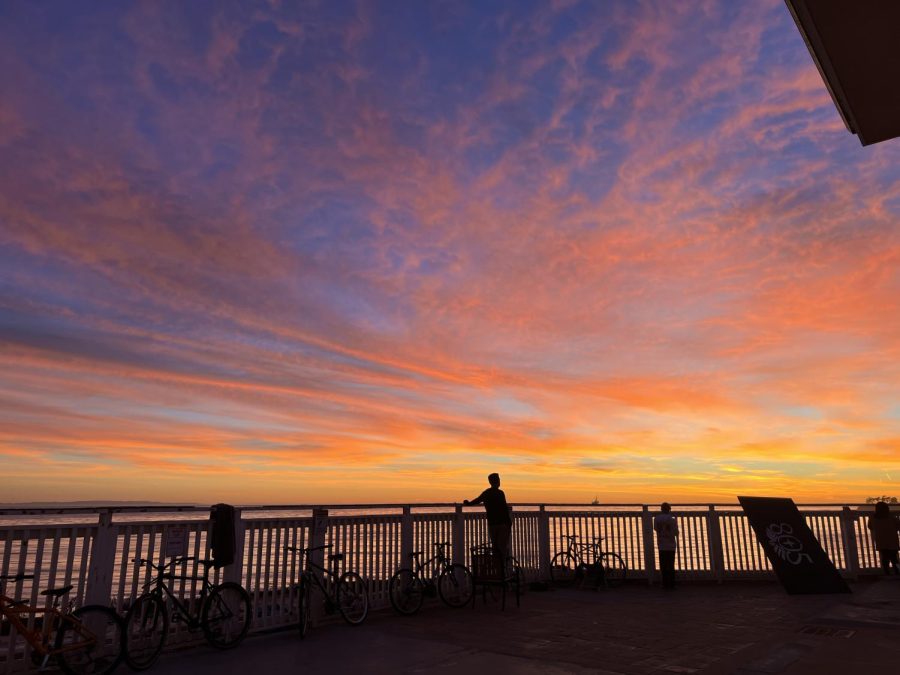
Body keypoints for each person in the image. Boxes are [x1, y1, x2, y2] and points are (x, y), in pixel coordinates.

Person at [464, 473, 512, 568]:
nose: (499, 482)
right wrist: (509, 523)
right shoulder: (500, 493)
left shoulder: (486, 493)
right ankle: (502, 571)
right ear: (497, 481)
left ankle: (496, 571)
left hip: (492, 524)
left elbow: (477, 500)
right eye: (498, 480)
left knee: (495, 548)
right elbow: (504, 508)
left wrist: (468, 503)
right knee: (501, 549)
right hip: (502, 524)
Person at [867, 501, 900, 575]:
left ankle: (887, 573)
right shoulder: (891, 516)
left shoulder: (872, 517)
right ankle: (897, 572)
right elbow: (898, 525)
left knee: (884, 558)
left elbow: (870, 526)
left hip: (880, 540)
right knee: (894, 558)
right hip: (892, 540)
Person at [654, 502, 678, 589]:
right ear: (669, 509)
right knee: (671, 565)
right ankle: (671, 584)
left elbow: (656, 529)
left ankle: (664, 584)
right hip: (671, 545)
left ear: (661, 509)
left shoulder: (656, 519)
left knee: (663, 565)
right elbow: (676, 533)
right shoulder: (672, 519)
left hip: (661, 544)